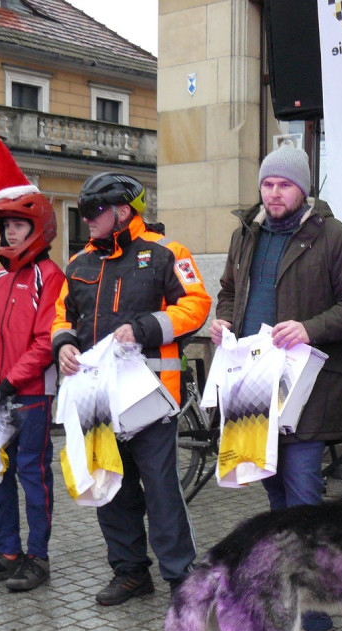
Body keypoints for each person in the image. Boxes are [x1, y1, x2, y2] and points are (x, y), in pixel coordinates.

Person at [209, 146, 342, 631]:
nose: (274, 192)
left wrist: (310, 328)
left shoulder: (335, 237)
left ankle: (319, 598)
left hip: (308, 387)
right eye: (268, 184)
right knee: (273, 487)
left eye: (284, 184)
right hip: (252, 384)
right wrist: (223, 320)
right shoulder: (246, 234)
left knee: (304, 491)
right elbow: (228, 290)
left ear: (303, 188)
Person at [52, 172, 211, 605]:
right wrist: (63, 343)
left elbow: (197, 306)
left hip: (150, 397)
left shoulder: (166, 253)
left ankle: (182, 576)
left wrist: (142, 329)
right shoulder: (79, 263)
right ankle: (130, 573)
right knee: (110, 485)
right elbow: (62, 315)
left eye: (93, 212)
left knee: (161, 489)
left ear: (123, 212)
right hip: (98, 400)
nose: (85, 220)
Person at [0, 125, 66, 592]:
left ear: (38, 226)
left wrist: (7, 385)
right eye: (5, 225)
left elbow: (46, 341)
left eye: (18, 224)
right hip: (0, 396)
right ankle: (7, 552)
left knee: (32, 474)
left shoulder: (50, 275)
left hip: (33, 397)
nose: (10, 231)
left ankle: (38, 559)